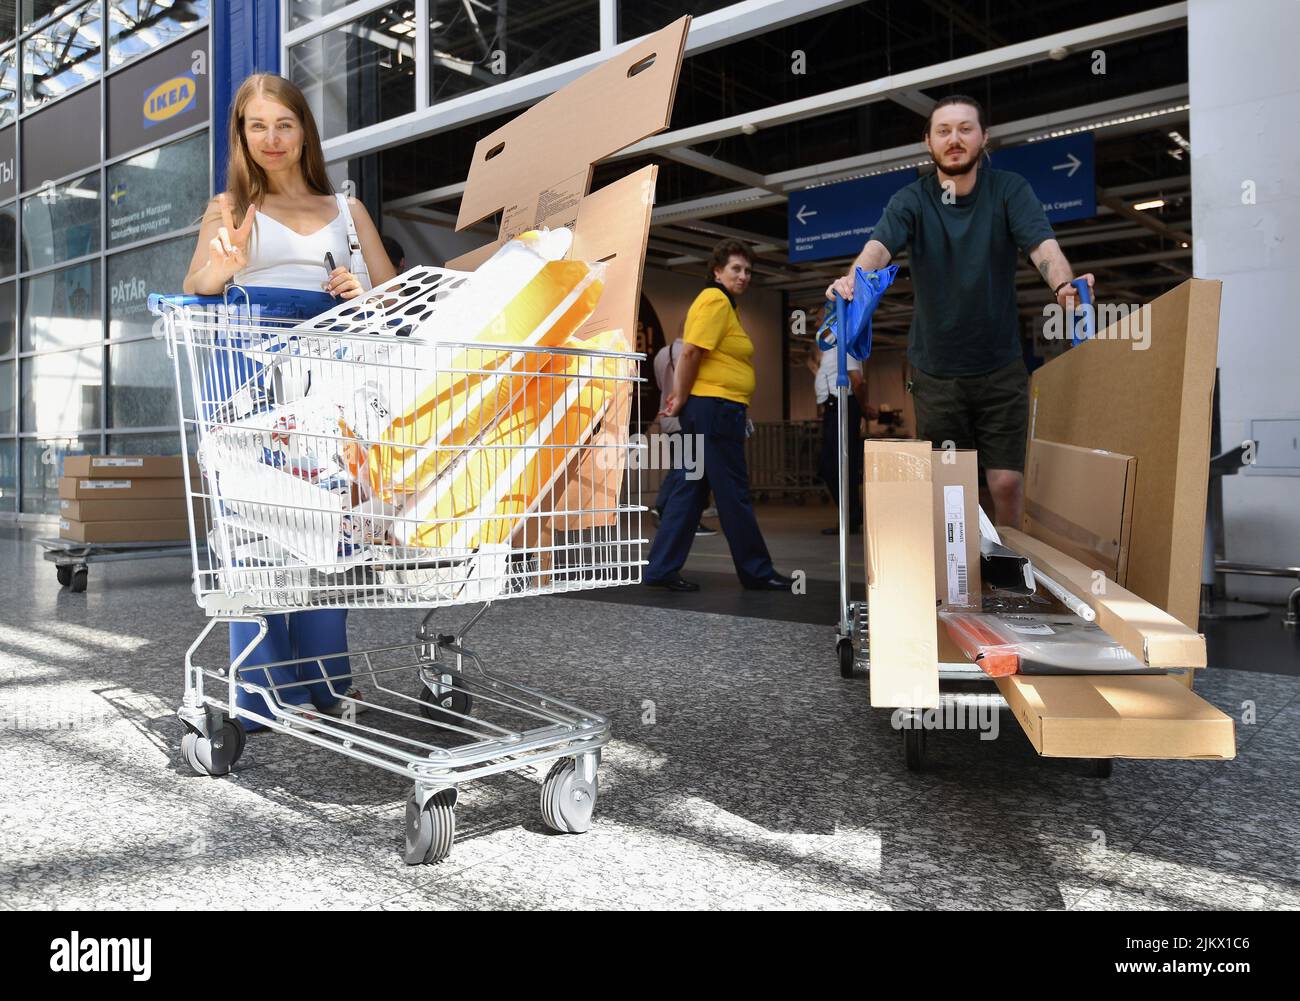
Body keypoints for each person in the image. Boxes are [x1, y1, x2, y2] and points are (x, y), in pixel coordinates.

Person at [183, 72, 397, 730]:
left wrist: (357, 291)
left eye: (285, 124)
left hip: (325, 392)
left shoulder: (349, 212)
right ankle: (260, 695)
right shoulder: (228, 209)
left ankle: (327, 685)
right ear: (242, 137)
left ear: (305, 130)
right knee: (254, 538)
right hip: (247, 388)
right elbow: (197, 282)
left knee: (323, 532)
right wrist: (222, 268)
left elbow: (393, 294)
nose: (272, 139)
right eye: (258, 126)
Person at [826, 94, 1094, 528]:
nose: (955, 139)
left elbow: (1041, 244)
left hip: (1000, 365)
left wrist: (1063, 284)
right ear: (928, 142)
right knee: (953, 487)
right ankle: (962, 583)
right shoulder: (911, 200)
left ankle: (1013, 581)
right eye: (944, 131)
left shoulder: (1008, 190)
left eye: (965, 129)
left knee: (1006, 482)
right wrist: (854, 278)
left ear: (984, 138)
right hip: (935, 373)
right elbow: (879, 245)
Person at [644, 240, 793, 593]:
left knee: (690, 488)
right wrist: (679, 397)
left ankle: (661, 568)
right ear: (717, 271)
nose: (743, 276)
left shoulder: (723, 304)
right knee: (733, 492)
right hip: (715, 410)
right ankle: (756, 571)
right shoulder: (714, 300)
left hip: (711, 409)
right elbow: (692, 351)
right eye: (736, 269)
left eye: (748, 271)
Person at [650, 337, 717, 537]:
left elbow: (661, 386)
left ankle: (666, 508)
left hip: (667, 417)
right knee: (689, 470)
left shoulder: (662, 354)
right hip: (683, 417)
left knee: (681, 467)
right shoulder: (691, 353)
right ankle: (669, 509)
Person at [813, 328, 875, 535]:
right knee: (831, 465)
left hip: (843, 406)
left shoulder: (845, 347)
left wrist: (864, 409)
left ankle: (851, 515)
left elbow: (857, 381)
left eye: (821, 320)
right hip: (833, 408)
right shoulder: (829, 350)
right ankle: (851, 514)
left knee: (837, 465)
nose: (816, 326)